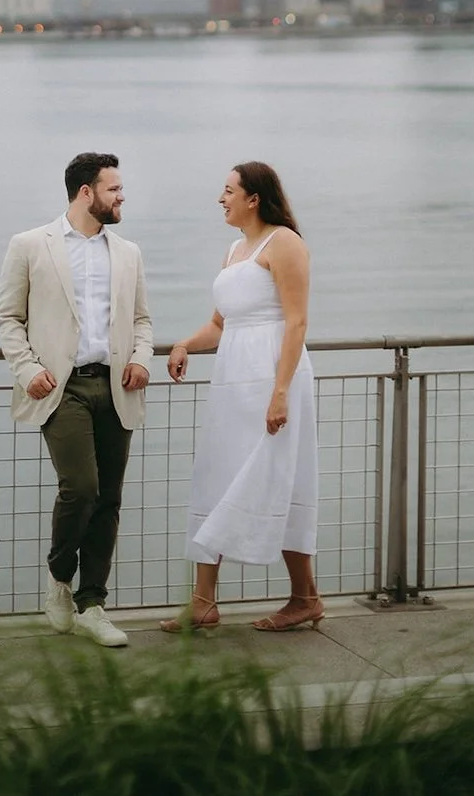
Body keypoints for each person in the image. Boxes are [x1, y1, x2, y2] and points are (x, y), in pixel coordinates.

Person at [0, 152, 153, 648]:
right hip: (60, 388)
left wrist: (143, 359)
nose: (121, 196)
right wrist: (28, 369)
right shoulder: (29, 245)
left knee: (108, 500)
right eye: (114, 188)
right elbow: (8, 319)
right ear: (86, 192)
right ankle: (60, 578)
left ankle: (93, 604)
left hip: (116, 387)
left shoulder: (128, 252)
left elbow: (143, 321)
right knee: (81, 488)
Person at [160, 161, 319, 633]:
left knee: (280, 476)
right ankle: (203, 602)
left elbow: (296, 322)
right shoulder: (234, 249)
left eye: (228, 191)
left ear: (254, 198)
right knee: (218, 474)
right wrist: (186, 344)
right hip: (233, 380)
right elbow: (220, 323)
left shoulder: (285, 242)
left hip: (274, 375)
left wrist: (281, 392)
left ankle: (305, 597)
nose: (220, 198)